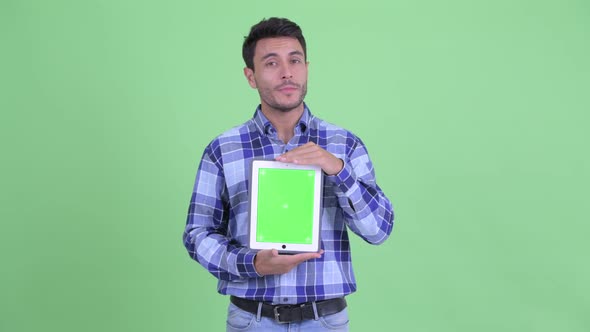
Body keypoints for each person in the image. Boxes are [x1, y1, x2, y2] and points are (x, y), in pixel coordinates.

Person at [183, 17, 394, 331]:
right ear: (250, 76)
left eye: (294, 60)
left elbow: (378, 230)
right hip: (251, 319)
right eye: (271, 63)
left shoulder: (344, 144)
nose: (286, 72)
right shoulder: (222, 149)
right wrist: (252, 263)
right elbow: (197, 235)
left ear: (306, 67)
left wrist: (337, 169)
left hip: (325, 321)